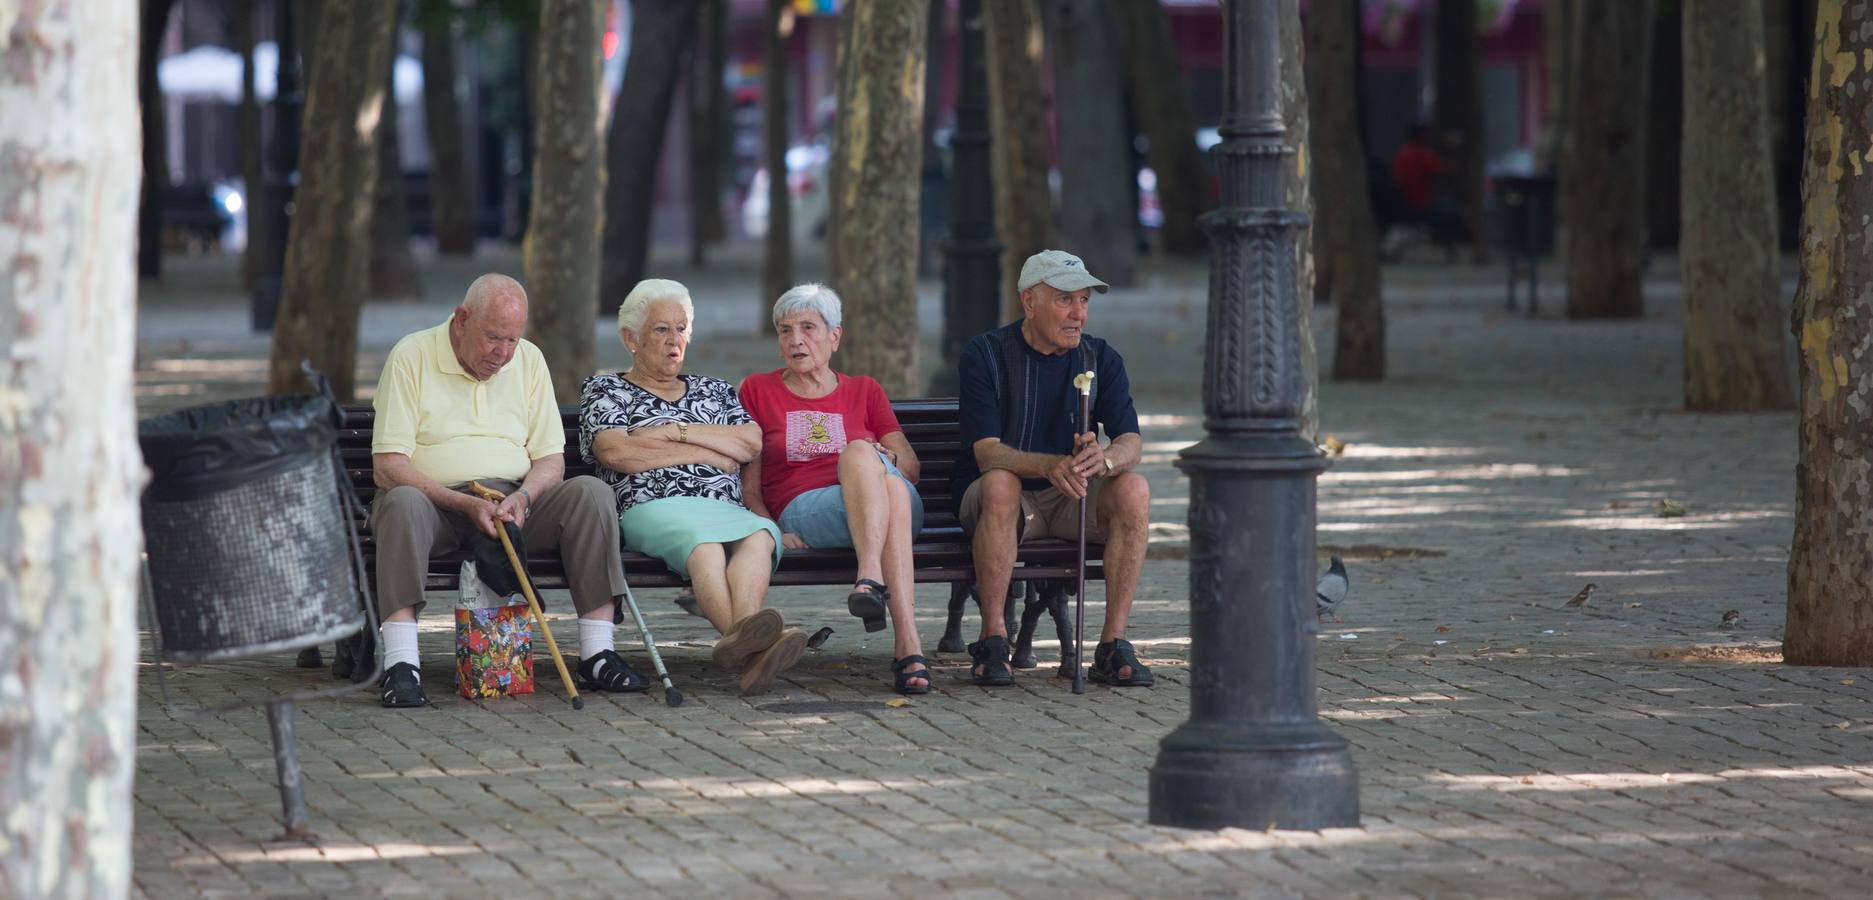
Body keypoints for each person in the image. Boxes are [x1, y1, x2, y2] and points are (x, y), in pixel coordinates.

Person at [370, 274, 645, 708]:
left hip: (512, 506)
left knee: (591, 494)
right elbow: (388, 467)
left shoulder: (529, 360)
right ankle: (402, 664)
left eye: (512, 340)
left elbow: (550, 460)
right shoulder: (412, 355)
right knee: (400, 502)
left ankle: (597, 653)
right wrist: (463, 502)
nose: (502, 354)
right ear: (462, 321)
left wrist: (525, 498)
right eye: (493, 338)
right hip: (434, 506)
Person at [580, 279, 803, 697]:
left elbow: (749, 442)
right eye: (661, 329)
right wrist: (709, 449)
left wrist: (674, 432)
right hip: (651, 505)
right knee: (706, 547)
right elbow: (614, 451)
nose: (674, 340)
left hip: (724, 506)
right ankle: (755, 650)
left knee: (757, 536)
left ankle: (745, 650)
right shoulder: (606, 388)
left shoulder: (715, 390)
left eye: (681, 329)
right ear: (631, 338)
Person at [952, 250, 1152, 688]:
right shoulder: (985, 354)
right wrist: (1049, 464)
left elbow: (1131, 441)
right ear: (1029, 301)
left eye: (1083, 301)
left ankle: (1112, 644)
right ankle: (993, 640)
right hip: (1000, 501)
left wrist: (1107, 458)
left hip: (1070, 498)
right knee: (1002, 484)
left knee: (1133, 488)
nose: (1078, 314)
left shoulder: (1100, 358)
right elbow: (986, 454)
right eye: (1065, 300)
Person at [738, 283, 931, 695]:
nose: (795, 340)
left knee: (871, 465)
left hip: (888, 504)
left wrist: (881, 457)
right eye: (785, 331)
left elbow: (910, 468)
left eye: (808, 328)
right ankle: (908, 646)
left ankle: (870, 579)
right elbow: (748, 487)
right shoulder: (757, 390)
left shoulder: (865, 390)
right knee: (887, 489)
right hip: (807, 510)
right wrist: (770, 530)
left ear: (835, 337)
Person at [1390, 123, 1467, 236]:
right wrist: (1452, 148)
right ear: (1421, 137)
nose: (1429, 139)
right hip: (1420, 206)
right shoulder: (1419, 154)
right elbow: (1445, 168)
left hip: (1409, 205)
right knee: (1457, 211)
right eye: (1427, 136)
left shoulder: (1403, 153)